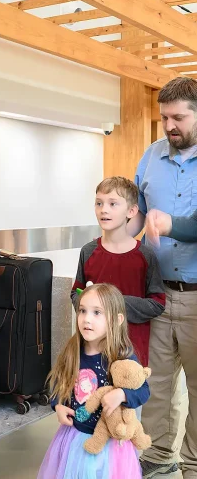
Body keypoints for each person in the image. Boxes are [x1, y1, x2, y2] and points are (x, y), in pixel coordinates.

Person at [129, 77, 197, 478]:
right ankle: (156, 457)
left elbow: (169, 221)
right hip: (155, 295)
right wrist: (118, 223)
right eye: (164, 117)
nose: (170, 125)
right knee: (156, 386)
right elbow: (138, 209)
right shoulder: (152, 154)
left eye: (179, 117)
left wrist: (171, 223)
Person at [38, 283, 150, 479]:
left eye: (97, 313)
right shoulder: (73, 350)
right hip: (75, 437)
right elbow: (60, 380)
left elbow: (144, 390)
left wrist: (123, 394)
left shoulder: (121, 355)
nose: (87, 319)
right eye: (82, 311)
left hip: (111, 447)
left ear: (117, 320)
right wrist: (58, 405)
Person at [71, 176, 165, 368]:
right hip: (92, 351)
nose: (104, 209)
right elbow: (76, 292)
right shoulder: (88, 252)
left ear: (131, 211)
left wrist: (115, 304)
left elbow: (157, 303)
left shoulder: (145, 256)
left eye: (113, 204)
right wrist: (89, 305)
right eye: (99, 203)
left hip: (131, 352)